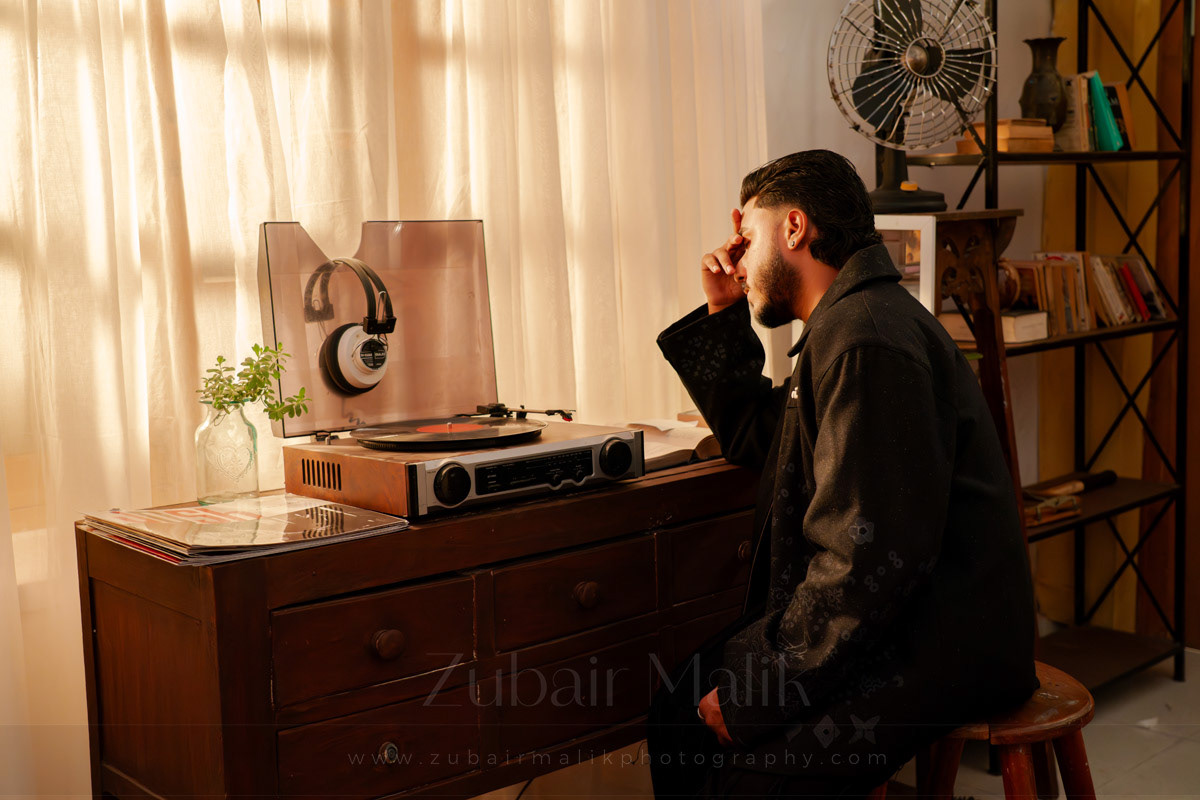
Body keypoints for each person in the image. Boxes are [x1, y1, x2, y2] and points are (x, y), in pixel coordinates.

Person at [648, 150, 1038, 798]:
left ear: (793, 227)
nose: (737, 261)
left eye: (748, 237)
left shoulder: (867, 337)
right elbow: (761, 434)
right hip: (900, 619)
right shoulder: (850, 322)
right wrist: (724, 313)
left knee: (733, 772)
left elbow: (865, 563)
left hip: (941, 642)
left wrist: (756, 697)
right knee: (679, 707)